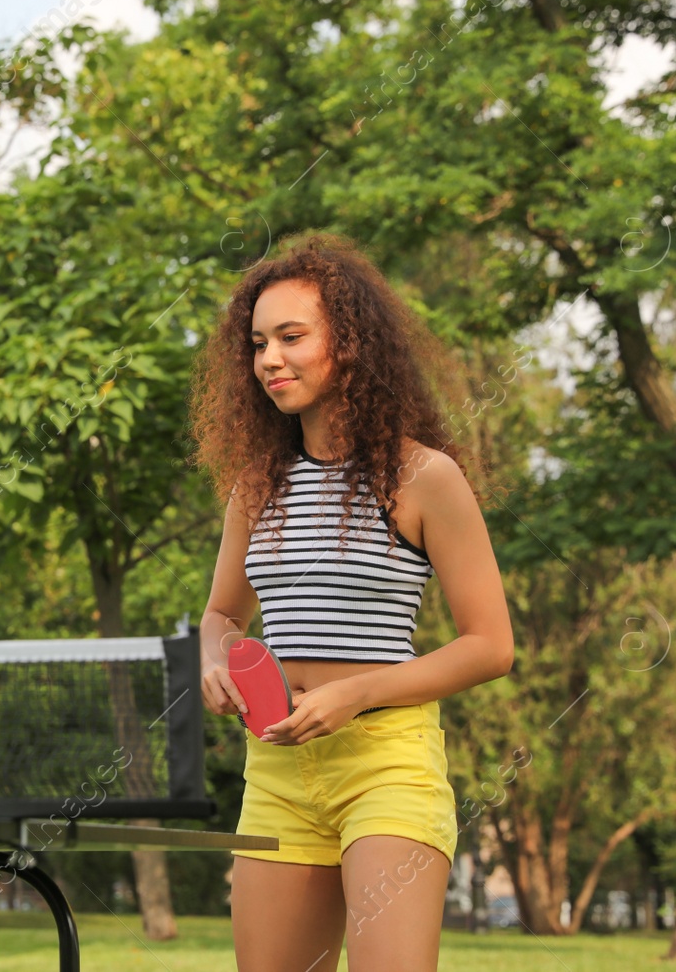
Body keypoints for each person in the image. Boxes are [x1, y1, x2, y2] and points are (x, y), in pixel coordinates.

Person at [190, 232, 514, 972]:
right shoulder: (255, 485)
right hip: (275, 767)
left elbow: (491, 644)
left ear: (352, 343)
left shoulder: (425, 478)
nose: (270, 358)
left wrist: (357, 694)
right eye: (259, 343)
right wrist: (213, 657)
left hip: (386, 765)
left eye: (292, 337)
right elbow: (220, 615)